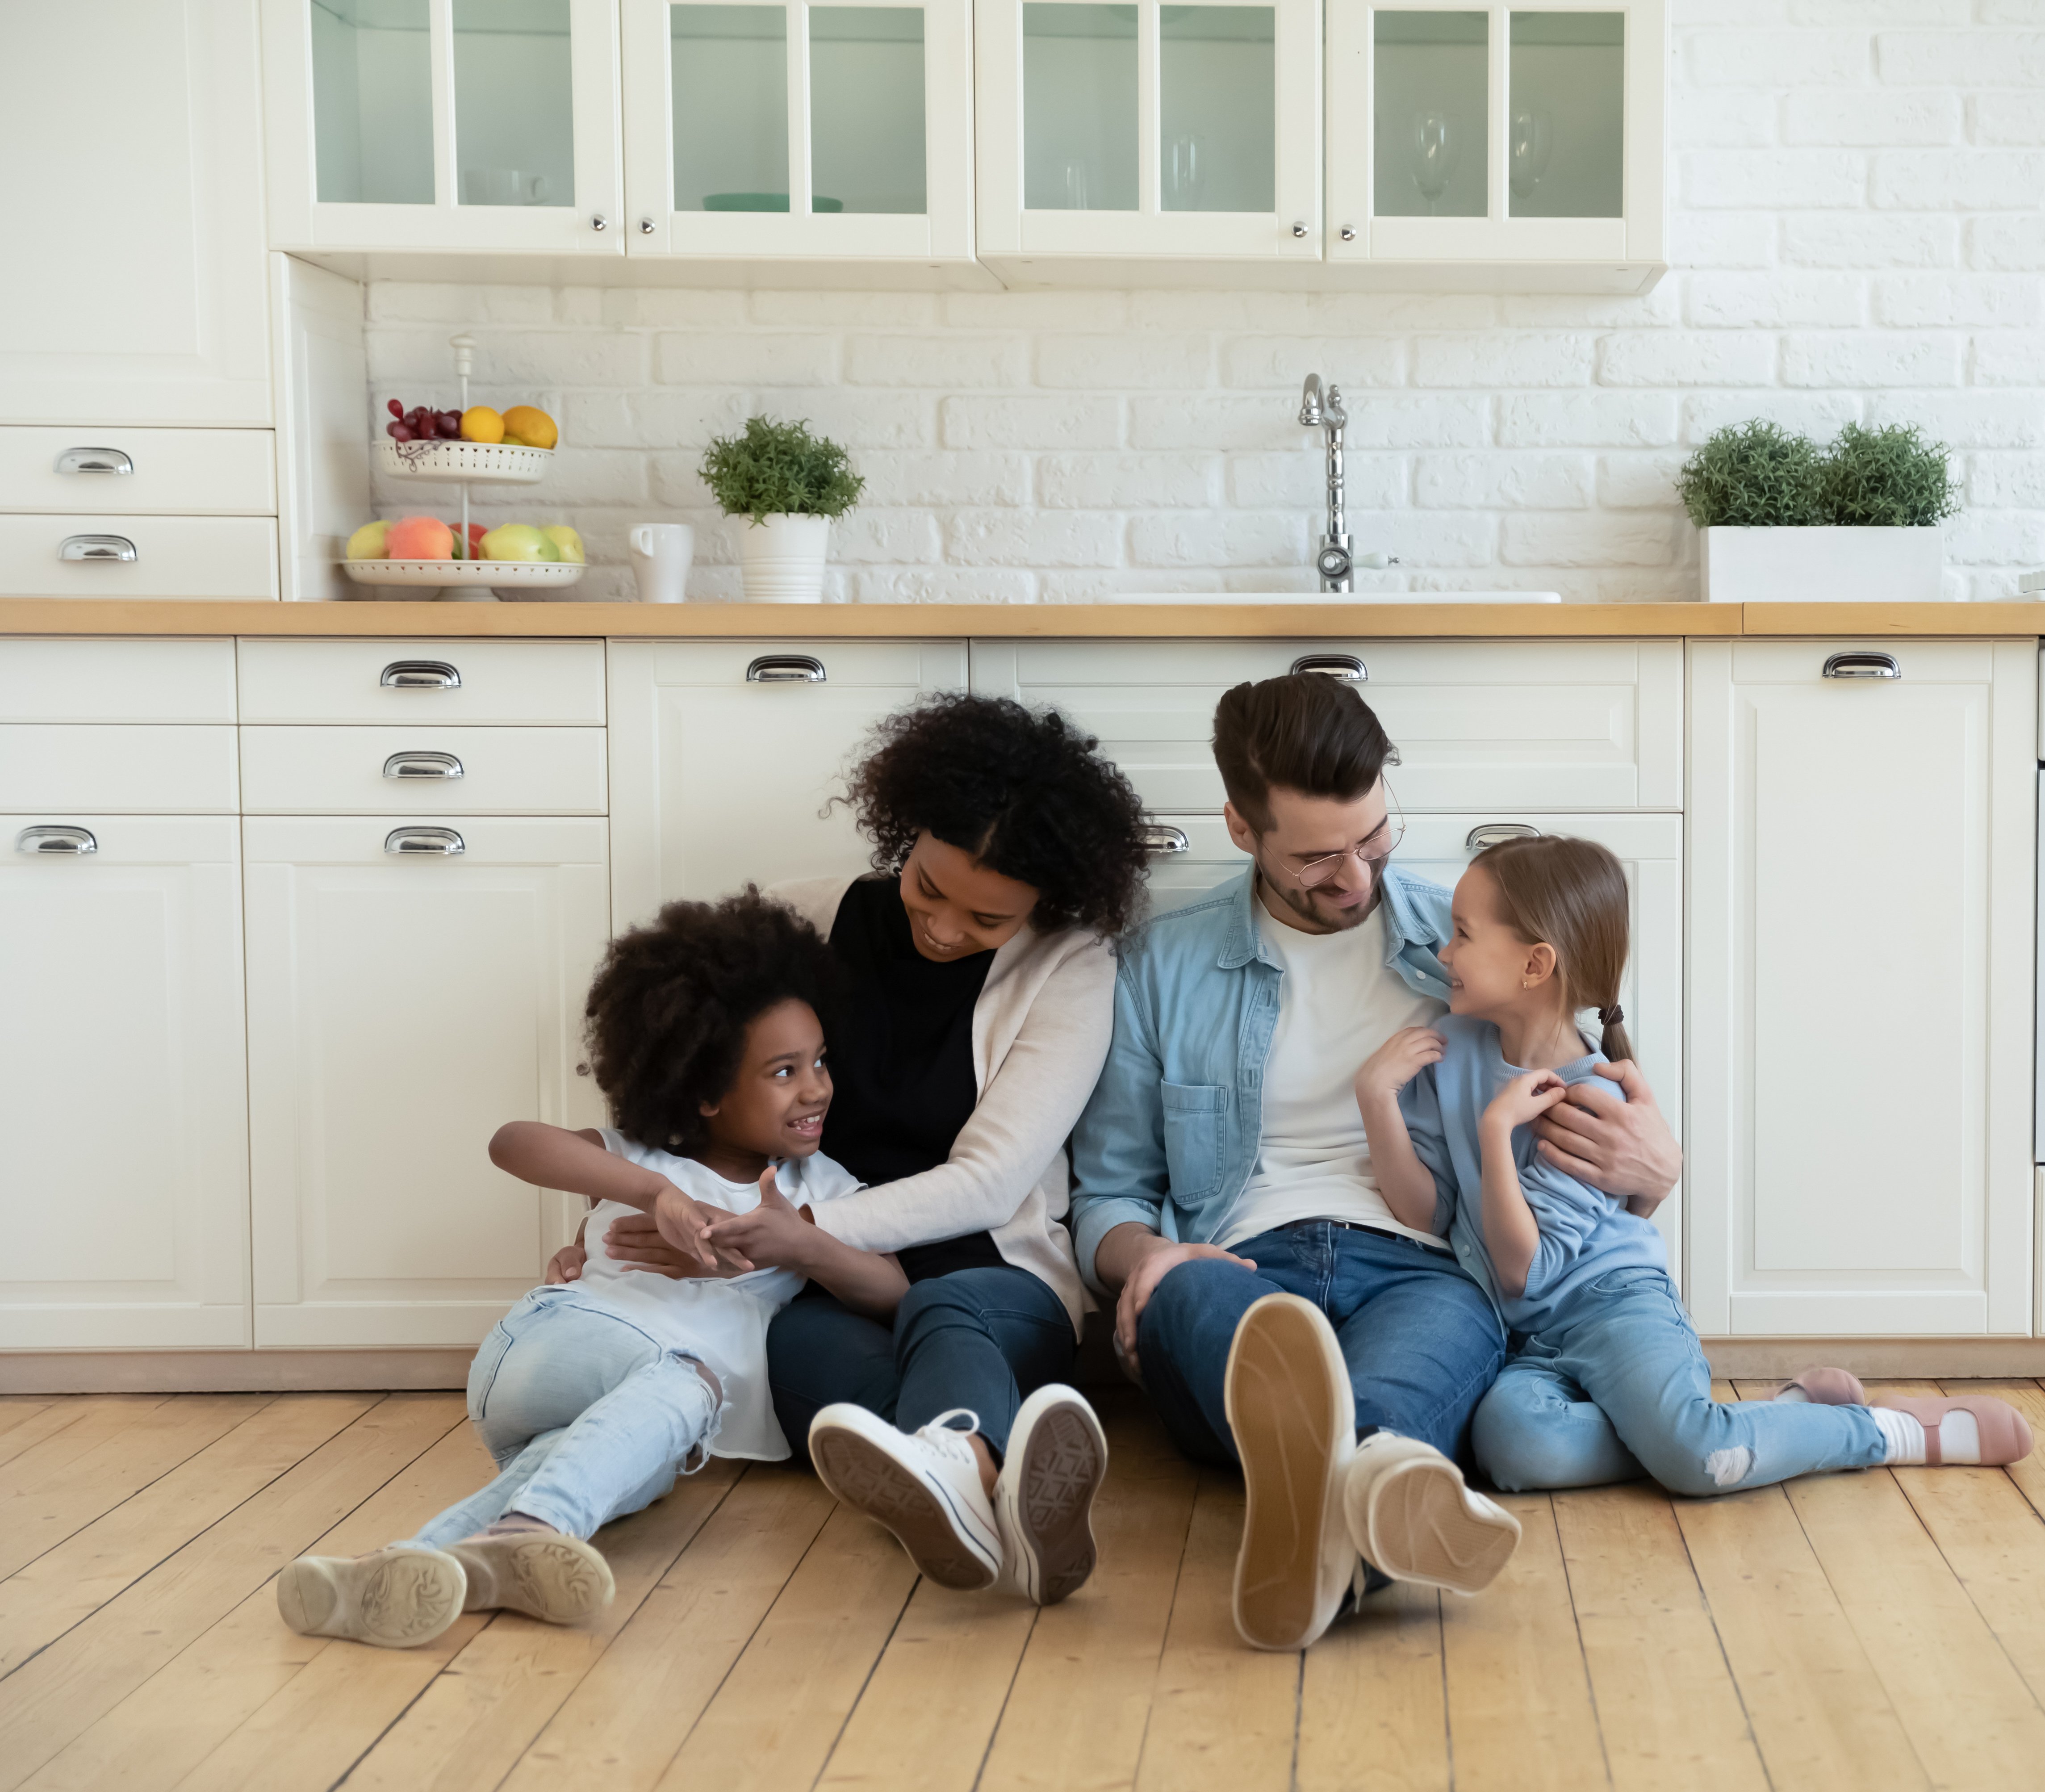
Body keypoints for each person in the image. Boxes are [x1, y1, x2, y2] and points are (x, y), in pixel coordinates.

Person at [1071, 672, 1688, 1651]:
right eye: (1317, 857)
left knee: (1408, 1374)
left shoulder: (1478, 938)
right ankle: (1367, 1512)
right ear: (1241, 828)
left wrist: (1656, 1170)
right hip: (1241, 1267)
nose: (1355, 879)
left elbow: (1592, 1136)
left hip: (1424, 1269)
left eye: (1374, 840)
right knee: (1193, 1299)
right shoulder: (1160, 966)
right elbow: (1108, 1191)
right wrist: (1145, 1258)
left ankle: (1322, 1524)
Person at [588, 694, 1150, 1607]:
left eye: (987, 921)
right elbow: (686, 1097)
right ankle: (992, 1486)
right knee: (809, 1366)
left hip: (991, 1279)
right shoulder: (800, 920)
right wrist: (614, 1217)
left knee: (944, 1313)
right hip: (816, 1287)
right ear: (907, 828)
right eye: (929, 888)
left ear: (1042, 906)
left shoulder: (1070, 964)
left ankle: (960, 1468)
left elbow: (989, 1183)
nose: (943, 929)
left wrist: (800, 1228)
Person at [278, 890, 916, 1648]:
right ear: (706, 1091)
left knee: (593, 1471)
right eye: (783, 1070)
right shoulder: (641, 1157)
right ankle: (534, 1530)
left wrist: (801, 1245)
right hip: (558, 1346)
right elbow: (513, 1142)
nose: (816, 1087)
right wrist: (657, 1194)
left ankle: (398, 1573)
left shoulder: (819, 1189)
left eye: (818, 1061)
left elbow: (893, 1289)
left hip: (631, 1421)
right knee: (692, 1380)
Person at [1356, 836, 2037, 1500]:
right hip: (1525, 1337)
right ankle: (1753, 1425)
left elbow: (1520, 1267)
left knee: (1694, 1460)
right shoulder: (1446, 1049)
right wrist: (1377, 1100)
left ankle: (1884, 1432)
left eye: (1463, 935)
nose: (1443, 952)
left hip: (1615, 1308)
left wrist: (1496, 1130)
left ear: (1535, 965)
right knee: (1509, 1445)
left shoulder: (1596, 1098)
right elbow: (1428, 1211)